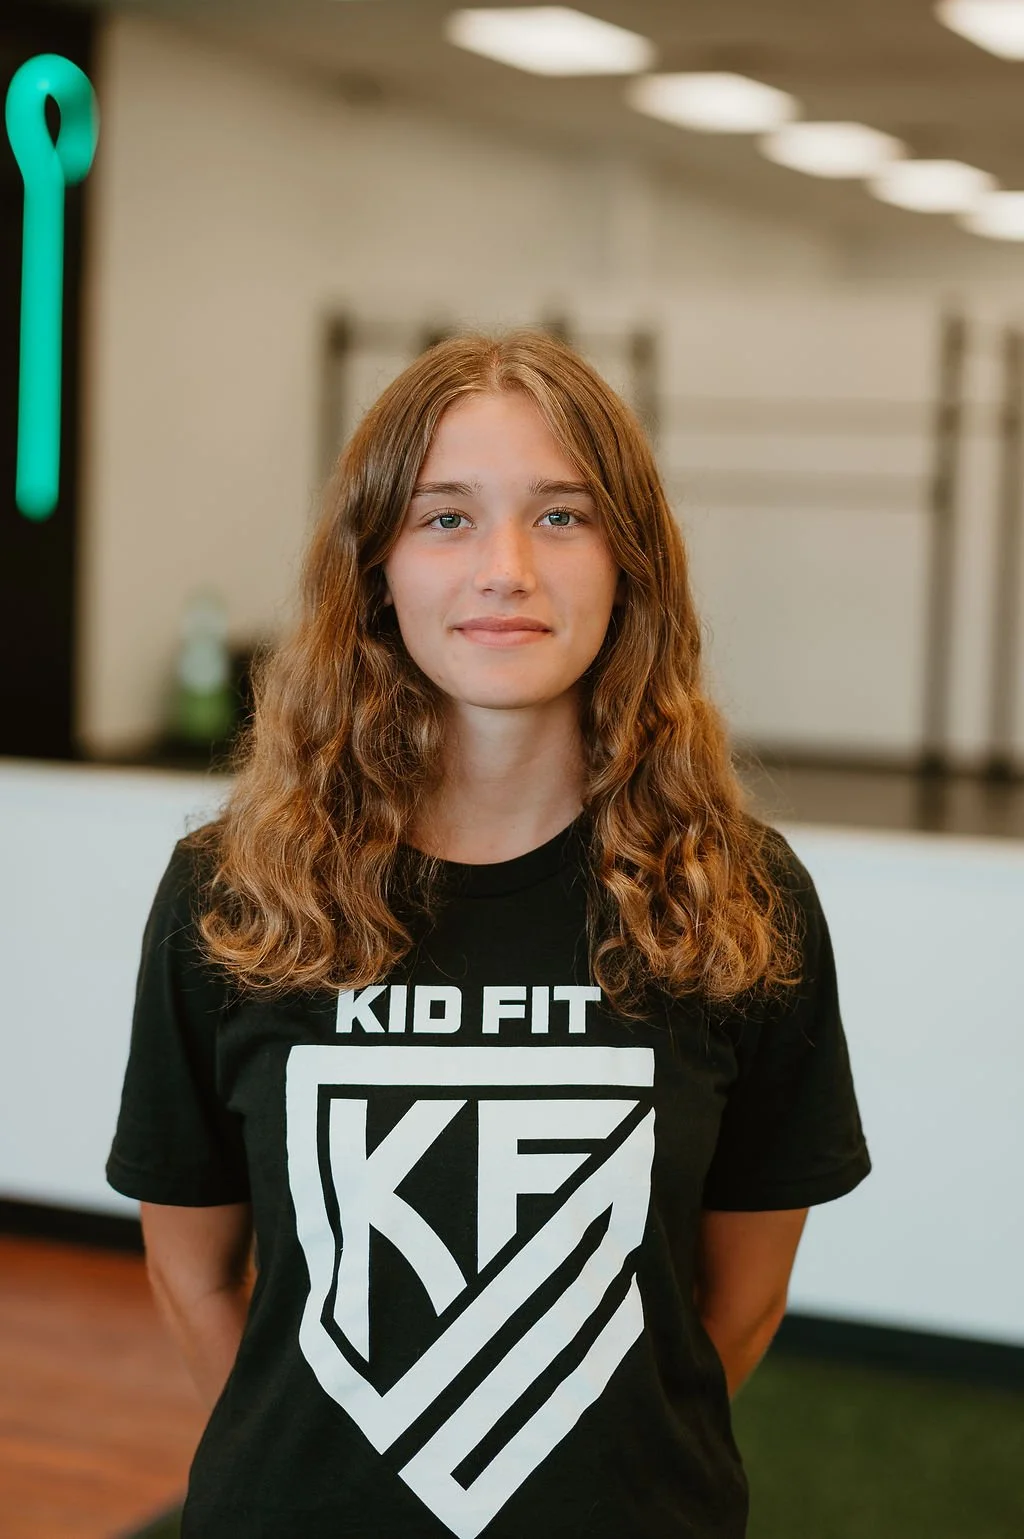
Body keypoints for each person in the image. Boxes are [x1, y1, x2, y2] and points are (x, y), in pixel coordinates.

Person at [106, 328, 871, 1539]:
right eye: (445, 518)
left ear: (632, 564)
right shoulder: (234, 891)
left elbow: (740, 1300)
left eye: (561, 516)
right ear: (376, 569)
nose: (505, 568)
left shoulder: (735, 896)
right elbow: (189, 1273)